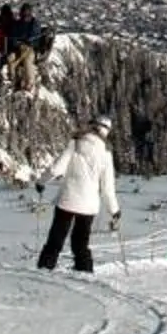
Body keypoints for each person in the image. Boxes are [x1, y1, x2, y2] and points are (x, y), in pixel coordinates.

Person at [35, 114, 119, 272]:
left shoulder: (75, 144)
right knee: (81, 243)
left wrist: (41, 182)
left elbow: (56, 169)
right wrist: (114, 210)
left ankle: (45, 268)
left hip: (67, 200)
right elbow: (107, 188)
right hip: (89, 205)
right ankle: (84, 271)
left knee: (56, 238)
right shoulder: (106, 154)